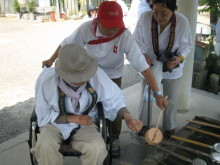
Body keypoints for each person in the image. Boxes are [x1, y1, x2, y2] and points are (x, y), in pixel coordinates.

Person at [42, 1, 167, 156]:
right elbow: (66, 46)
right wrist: (51, 59)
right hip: (86, 74)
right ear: (98, 20)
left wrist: (157, 94)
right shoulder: (85, 29)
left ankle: (114, 138)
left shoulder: (124, 35)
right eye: (109, 26)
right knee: (85, 106)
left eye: (116, 25)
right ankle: (82, 133)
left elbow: (142, 66)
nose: (113, 30)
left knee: (114, 104)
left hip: (113, 74)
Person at [31, 44, 143, 165]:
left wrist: (128, 117)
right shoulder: (46, 81)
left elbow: (115, 96)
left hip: (86, 124)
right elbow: (43, 113)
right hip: (54, 123)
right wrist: (71, 118)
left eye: (85, 73)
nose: (85, 78)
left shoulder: (96, 74)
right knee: (44, 145)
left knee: (97, 147)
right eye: (78, 76)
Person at [133, 0, 193, 138]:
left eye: (164, 13)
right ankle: (143, 124)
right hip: (150, 64)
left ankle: (169, 127)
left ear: (173, 10)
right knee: (147, 95)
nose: (159, 17)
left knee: (170, 97)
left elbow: (187, 45)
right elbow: (136, 40)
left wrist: (180, 58)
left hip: (171, 66)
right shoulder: (145, 17)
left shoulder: (182, 21)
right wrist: (144, 54)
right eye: (155, 12)